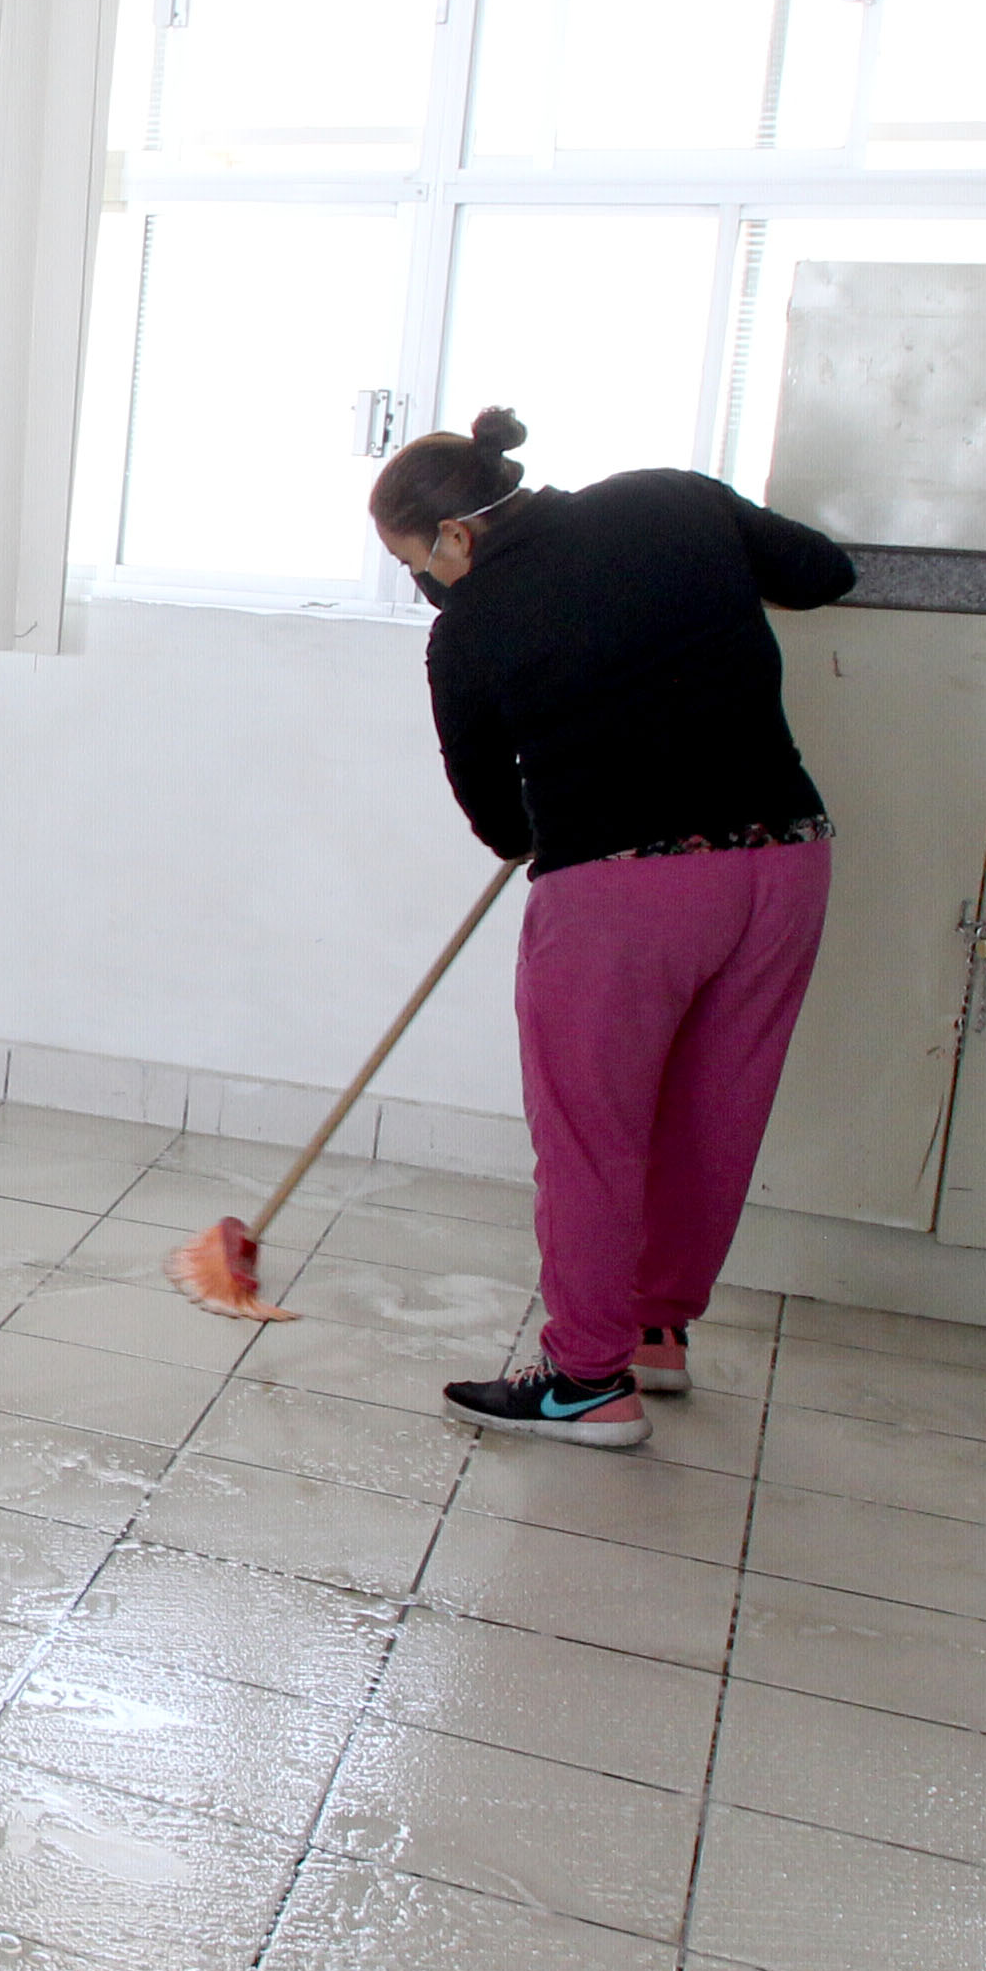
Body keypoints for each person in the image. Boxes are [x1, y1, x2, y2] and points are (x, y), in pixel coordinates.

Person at [382, 406, 857, 1451]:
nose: (430, 587)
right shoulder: (669, 497)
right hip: (784, 857)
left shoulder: (466, 629)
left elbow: (502, 820)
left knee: (594, 1135)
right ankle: (652, 1330)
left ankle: (585, 1381)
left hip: (625, 890)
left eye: (420, 564)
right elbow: (826, 573)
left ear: (456, 539)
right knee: (713, 1111)